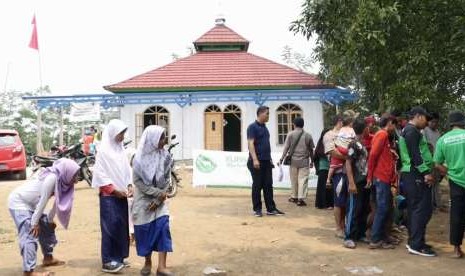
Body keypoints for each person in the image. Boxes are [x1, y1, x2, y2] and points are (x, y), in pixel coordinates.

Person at [7, 158, 80, 276]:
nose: (76, 180)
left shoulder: (63, 182)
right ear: (67, 171)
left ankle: (48, 258)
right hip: (19, 202)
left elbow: (58, 203)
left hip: (32, 204)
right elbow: (43, 201)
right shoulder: (52, 178)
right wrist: (34, 223)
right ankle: (28, 271)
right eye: (74, 176)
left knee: (47, 226)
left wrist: (50, 221)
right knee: (30, 233)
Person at [132, 125, 174, 276]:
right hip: (143, 198)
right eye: (161, 138)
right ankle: (147, 262)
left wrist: (159, 198)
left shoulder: (166, 156)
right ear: (152, 139)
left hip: (160, 200)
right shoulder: (138, 159)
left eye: (164, 137)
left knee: (163, 227)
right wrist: (157, 193)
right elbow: (137, 182)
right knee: (144, 231)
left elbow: (168, 178)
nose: (164, 141)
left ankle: (161, 267)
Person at [92, 119, 132, 273]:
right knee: (110, 227)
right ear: (113, 133)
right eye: (120, 133)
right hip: (109, 196)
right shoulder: (103, 152)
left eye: (123, 133)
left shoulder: (120, 149)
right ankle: (108, 260)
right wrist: (114, 190)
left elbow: (127, 170)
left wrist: (129, 185)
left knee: (121, 226)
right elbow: (100, 174)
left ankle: (120, 257)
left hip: (122, 195)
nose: (122, 136)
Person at [399, 106, 436, 257]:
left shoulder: (408, 130)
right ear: (418, 116)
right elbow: (415, 154)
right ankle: (416, 245)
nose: (426, 122)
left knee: (416, 210)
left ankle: (415, 241)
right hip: (415, 175)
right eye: (425, 119)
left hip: (412, 175)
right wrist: (426, 173)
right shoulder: (412, 131)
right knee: (422, 210)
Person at [433, 111, 465, 258]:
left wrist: (448, 172)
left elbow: (437, 163)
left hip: (455, 182)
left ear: (451, 124)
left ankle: (457, 249)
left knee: (457, 215)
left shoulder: (443, 140)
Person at [367, 114, 398, 250]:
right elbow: (373, 155)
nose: (395, 128)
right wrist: (370, 176)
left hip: (381, 177)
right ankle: (375, 239)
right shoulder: (382, 134)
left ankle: (383, 237)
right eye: (394, 124)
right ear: (390, 123)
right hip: (381, 177)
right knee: (383, 208)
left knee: (385, 208)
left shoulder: (381, 135)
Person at [324, 112, 357, 238]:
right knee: (339, 201)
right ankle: (339, 227)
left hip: (352, 172)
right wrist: (349, 157)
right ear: (340, 121)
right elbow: (332, 152)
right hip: (339, 173)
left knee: (349, 201)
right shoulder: (330, 135)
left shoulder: (350, 133)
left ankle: (346, 226)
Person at [247, 106, 284, 217]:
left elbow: (265, 145)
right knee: (257, 185)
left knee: (268, 185)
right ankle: (257, 209)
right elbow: (250, 144)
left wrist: (270, 159)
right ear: (261, 113)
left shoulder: (265, 128)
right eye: (267, 113)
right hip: (256, 161)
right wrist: (255, 159)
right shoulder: (252, 127)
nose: (268, 116)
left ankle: (271, 209)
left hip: (266, 161)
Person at [342, 118, 370, 249]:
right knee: (353, 208)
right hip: (356, 182)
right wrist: (351, 183)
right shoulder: (353, 144)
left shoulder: (361, 144)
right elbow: (348, 162)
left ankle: (360, 233)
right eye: (367, 127)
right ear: (364, 129)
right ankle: (348, 237)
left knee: (363, 208)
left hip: (364, 181)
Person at [279, 117, 315, 206]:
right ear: (303, 125)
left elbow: (286, 148)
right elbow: (311, 150)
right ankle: (300, 199)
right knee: (302, 180)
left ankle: (294, 196)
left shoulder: (290, 134)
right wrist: (312, 161)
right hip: (304, 161)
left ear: (294, 124)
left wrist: (282, 158)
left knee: (294, 179)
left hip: (293, 161)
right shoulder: (308, 135)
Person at [326, 111, 358, 186]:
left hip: (343, 167)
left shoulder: (340, 131)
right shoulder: (333, 133)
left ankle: (328, 179)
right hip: (340, 170)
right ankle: (328, 179)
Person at [423, 112, 443, 210]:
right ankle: (430, 206)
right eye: (432, 122)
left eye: (436, 122)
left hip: (437, 161)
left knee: (436, 183)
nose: (434, 124)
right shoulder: (425, 131)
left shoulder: (437, 132)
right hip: (429, 162)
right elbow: (425, 147)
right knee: (429, 184)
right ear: (429, 122)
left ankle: (438, 204)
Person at [313, 129, 334, 209]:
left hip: (327, 167)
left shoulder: (323, 143)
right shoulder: (325, 143)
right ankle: (326, 204)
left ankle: (323, 204)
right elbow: (317, 155)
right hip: (325, 167)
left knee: (325, 186)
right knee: (325, 186)